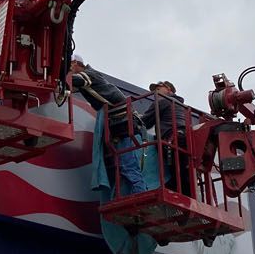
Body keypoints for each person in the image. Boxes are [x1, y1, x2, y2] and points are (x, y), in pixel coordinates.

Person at [70, 56, 146, 196]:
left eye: (69, 67)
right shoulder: (91, 77)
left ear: (75, 64)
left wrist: (58, 78)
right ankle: (137, 195)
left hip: (124, 123)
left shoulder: (89, 74)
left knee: (128, 166)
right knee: (123, 165)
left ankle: (141, 197)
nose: (69, 71)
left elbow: (77, 81)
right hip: (119, 124)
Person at [144, 81, 192, 195]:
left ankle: (179, 195)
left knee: (177, 174)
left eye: (158, 88)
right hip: (186, 140)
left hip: (173, 140)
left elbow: (145, 122)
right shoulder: (183, 107)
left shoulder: (163, 101)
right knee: (182, 174)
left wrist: (132, 116)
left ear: (168, 89)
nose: (155, 92)